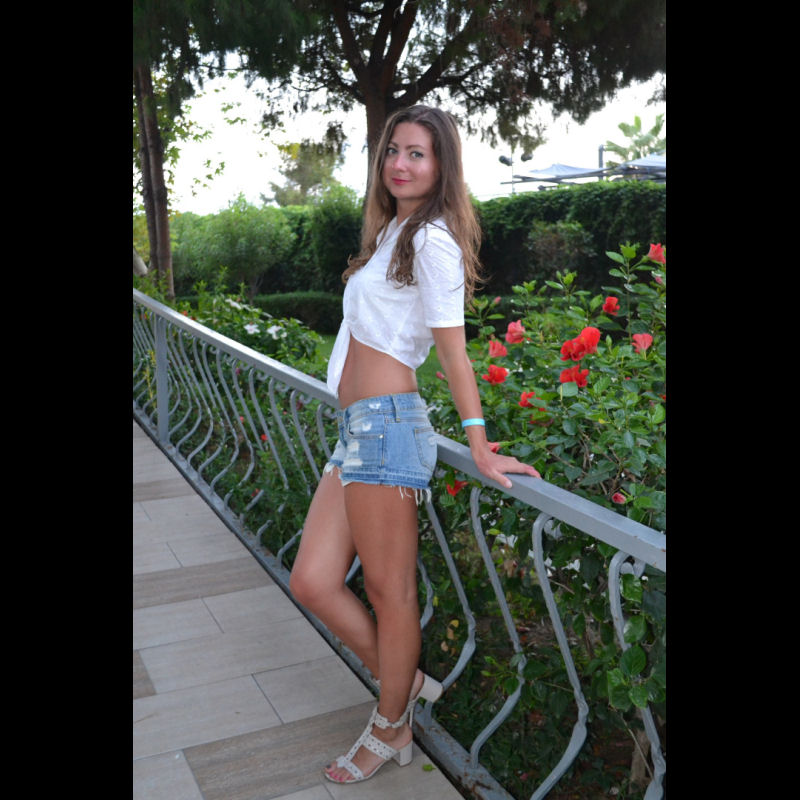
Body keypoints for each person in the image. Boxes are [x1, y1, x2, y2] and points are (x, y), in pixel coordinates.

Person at [288, 104, 540, 785]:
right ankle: (405, 683)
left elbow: (455, 354)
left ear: (441, 165)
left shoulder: (432, 240)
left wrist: (479, 445)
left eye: (417, 154)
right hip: (357, 431)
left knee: (389, 591)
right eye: (394, 151)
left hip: (389, 426)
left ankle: (391, 725)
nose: (400, 163)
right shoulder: (392, 233)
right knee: (312, 581)